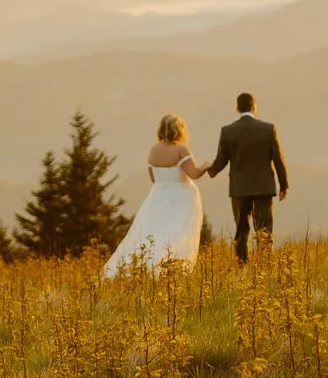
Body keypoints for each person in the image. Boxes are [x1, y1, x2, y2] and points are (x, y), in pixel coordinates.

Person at [100, 113, 206, 277]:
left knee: (153, 232)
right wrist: (206, 165)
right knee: (176, 232)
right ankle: (169, 268)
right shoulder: (181, 149)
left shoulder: (153, 150)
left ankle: (141, 265)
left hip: (157, 197)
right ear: (179, 130)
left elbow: (153, 178)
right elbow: (194, 173)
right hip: (181, 198)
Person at [207, 91, 288, 263]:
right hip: (263, 187)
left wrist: (207, 170)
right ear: (254, 107)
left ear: (237, 108)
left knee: (241, 230)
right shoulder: (268, 129)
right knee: (264, 229)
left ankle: (242, 266)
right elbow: (278, 159)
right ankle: (265, 267)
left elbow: (221, 161)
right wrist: (284, 185)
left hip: (239, 188)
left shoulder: (227, 131)